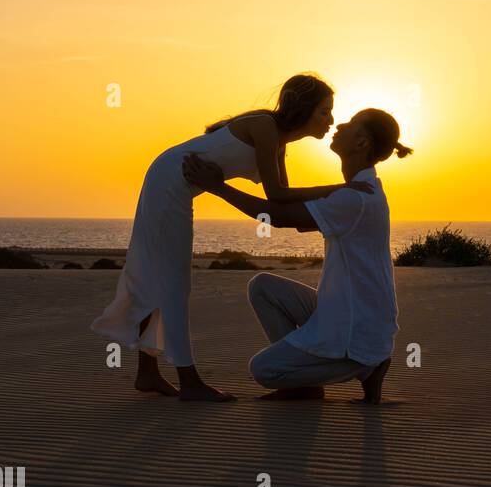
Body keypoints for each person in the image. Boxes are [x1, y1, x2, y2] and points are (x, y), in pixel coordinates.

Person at [91, 73, 371, 402]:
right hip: (168, 183)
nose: (331, 120)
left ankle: (147, 373)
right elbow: (278, 193)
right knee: (174, 284)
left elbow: (277, 202)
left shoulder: (275, 139)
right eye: (324, 111)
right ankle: (189, 380)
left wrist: (339, 192)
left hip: (171, 183)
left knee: (161, 280)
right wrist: (341, 188)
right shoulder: (266, 127)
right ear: (304, 108)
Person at [183, 107, 412, 404]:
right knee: (264, 287)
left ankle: (364, 366)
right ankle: (315, 378)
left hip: (357, 329)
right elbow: (286, 205)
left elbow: (276, 217)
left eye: (351, 124)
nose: (339, 124)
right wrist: (277, 150)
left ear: (362, 143)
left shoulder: (354, 198)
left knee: (263, 370)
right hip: (348, 312)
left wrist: (218, 188)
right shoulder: (359, 191)